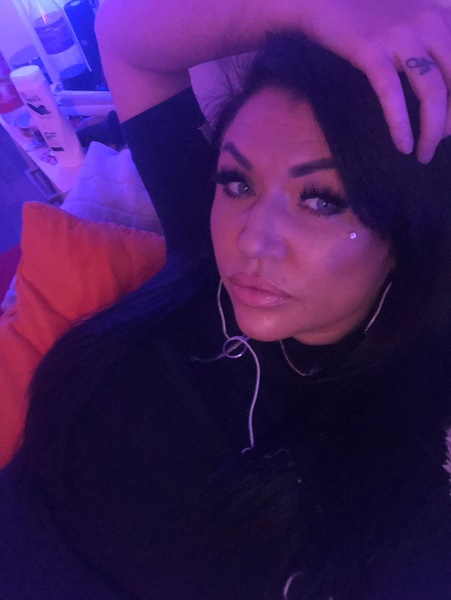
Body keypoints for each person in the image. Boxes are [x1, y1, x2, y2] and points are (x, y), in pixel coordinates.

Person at [0, 0, 451, 598]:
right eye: (237, 182)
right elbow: (125, 35)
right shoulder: (205, 243)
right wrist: (311, 11)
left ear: (404, 233)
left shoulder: (413, 455)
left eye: (321, 199)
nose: (251, 242)